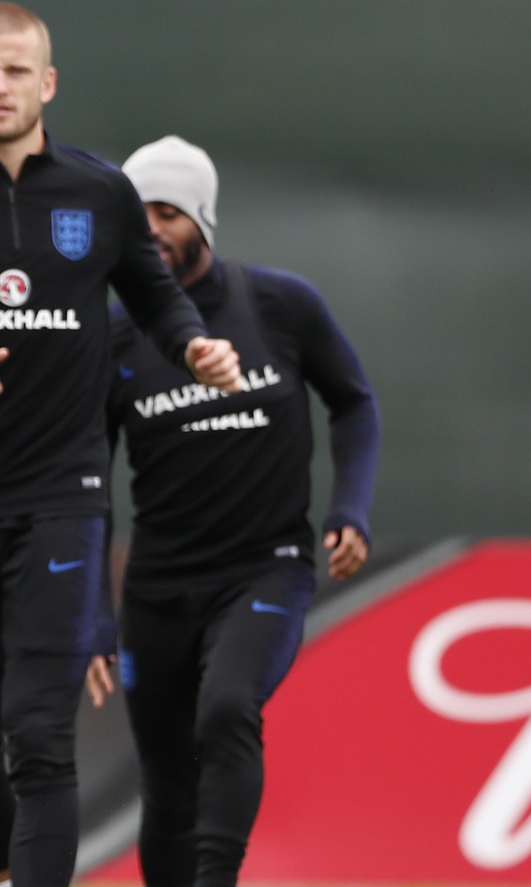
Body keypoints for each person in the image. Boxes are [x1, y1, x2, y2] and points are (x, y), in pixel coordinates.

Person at [0, 4, 243, 886]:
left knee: (42, 734)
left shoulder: (100, 193)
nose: (2, 86)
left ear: (47, 82)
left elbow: (156, 296)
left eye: (18, 71)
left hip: (61, 497)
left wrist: (192, 343)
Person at [92, 134, 380, 887]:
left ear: (203, 221)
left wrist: (350, 508)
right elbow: (86, 483)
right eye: (136, 213)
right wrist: (92, 607)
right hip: (156, 590)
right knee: (165, 785)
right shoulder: (114, 338)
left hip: (265, 571)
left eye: (167, 212)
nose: (150, 228)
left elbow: (353, 403)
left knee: (225, 710)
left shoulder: (280, 304)